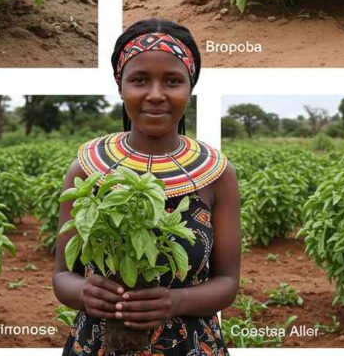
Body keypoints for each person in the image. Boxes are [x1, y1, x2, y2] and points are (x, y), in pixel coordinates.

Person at [53, 18, 240, 355]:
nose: (156, 95)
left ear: (190, 88)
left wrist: (175, 300)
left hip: (190, 344)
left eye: (172, 81)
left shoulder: (218, 174)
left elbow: (227, 284)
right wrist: (85, 293)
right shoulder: (86, 170)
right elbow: (62, 276)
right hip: (99, 342)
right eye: (139, 80)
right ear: (121, 86)